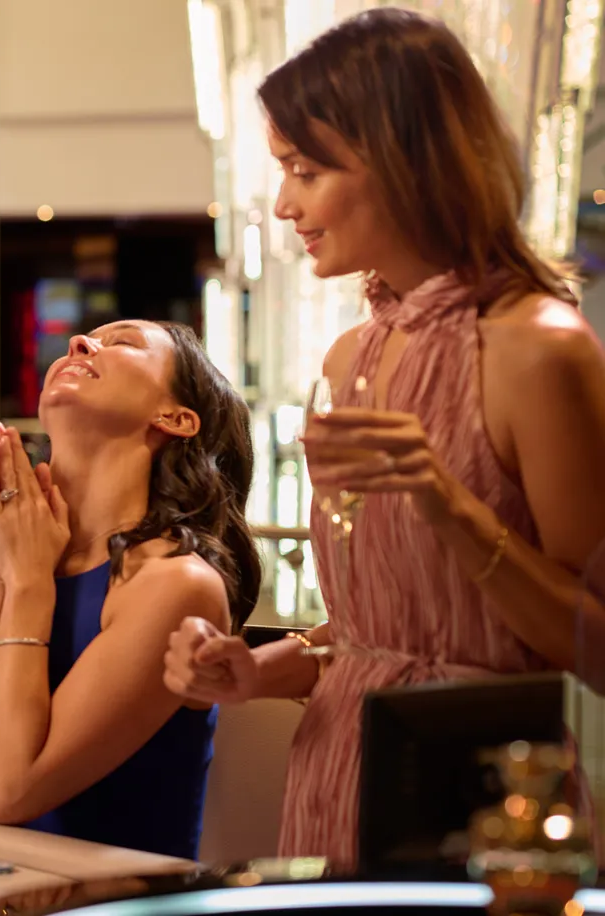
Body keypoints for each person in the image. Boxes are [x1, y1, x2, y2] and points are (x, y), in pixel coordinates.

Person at [162, 8, 605, 870]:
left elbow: (595, 643)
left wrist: (450, 508)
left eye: (305, 169)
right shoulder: (351, 356)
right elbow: (389, 627)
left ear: (408, 163)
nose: (285, 203)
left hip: (483, 797)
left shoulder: (539, 349)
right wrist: (262, 671)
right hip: (338, 769)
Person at [0, 322, 260, 860]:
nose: (79, 344)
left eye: (123, 343)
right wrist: (2, 573)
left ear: (176, 418)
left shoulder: (175, 584)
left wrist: (26, 584)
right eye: (83, 339)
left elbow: (9, 795)